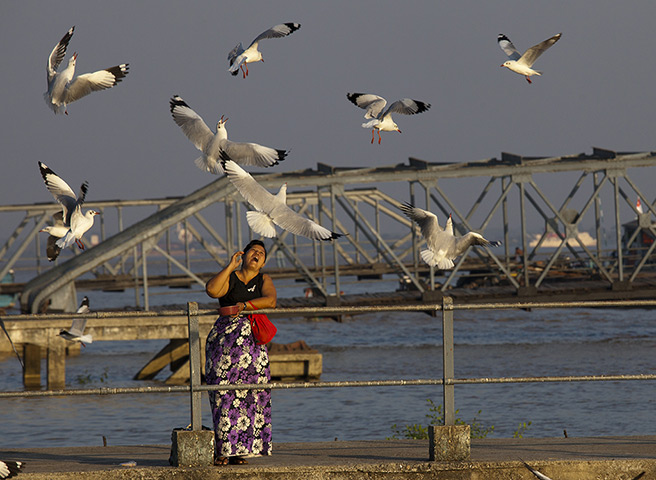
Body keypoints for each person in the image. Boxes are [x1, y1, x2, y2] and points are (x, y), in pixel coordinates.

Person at [204, 239, 277, 466]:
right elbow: (212, 290)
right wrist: (230, 266)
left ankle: (241, 451)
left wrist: (244, 306)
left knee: (251, 396)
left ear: (263, 262)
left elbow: (271, 300)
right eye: (253, 251)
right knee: (224, 395)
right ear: (243, 255)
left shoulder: (263, 279)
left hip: (252, 349)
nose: (257, 254)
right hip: (225, 345)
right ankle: (223, 451)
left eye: (261, 253)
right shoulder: (231, 278)